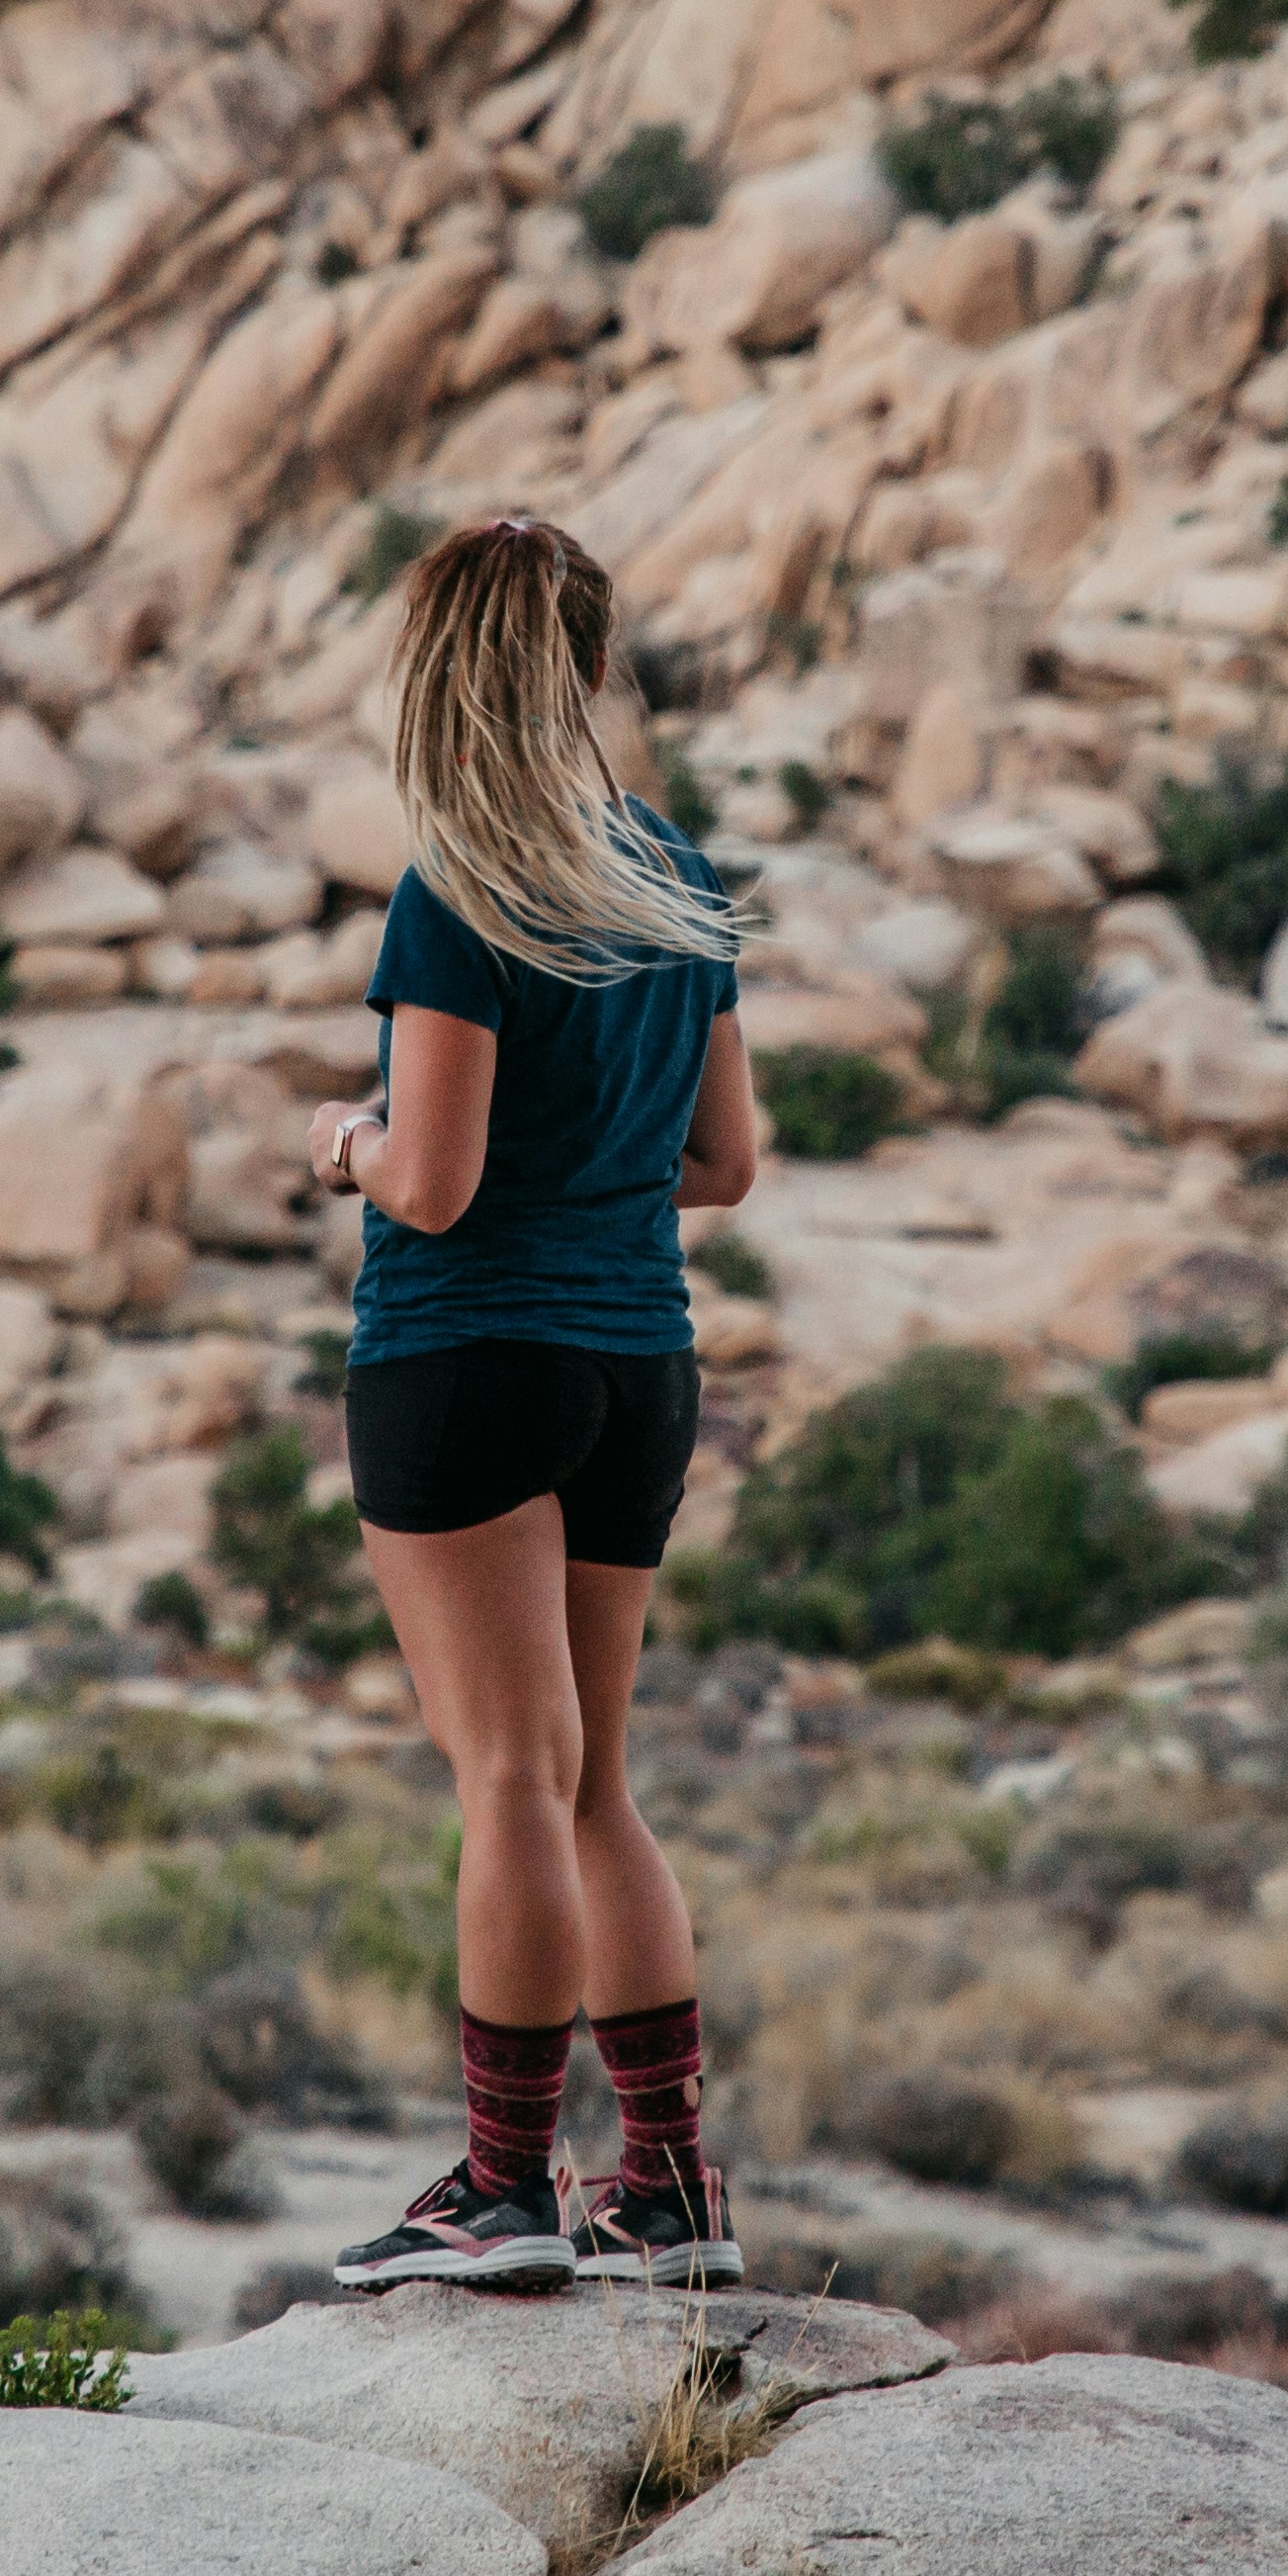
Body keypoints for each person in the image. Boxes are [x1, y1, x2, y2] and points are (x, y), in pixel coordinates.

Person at [306, 518, 762, 2292]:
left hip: (465, 1359)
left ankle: (502, 2190)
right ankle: (668, 2190)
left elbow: (430, 1177)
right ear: (586, 668)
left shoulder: (461, 890)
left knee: (505, 1773)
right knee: (597, 1785)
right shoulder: (676, 878)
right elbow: (723, 1162)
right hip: (635, 1364)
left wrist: (335, 1137)